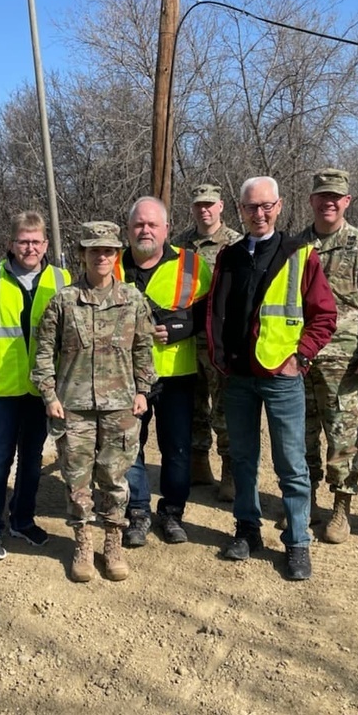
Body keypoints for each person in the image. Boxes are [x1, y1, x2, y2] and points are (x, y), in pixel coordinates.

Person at [207, 176, 337, 581]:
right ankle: (247, 530)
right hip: (239, 377)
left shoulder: (300, 255)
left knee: (291, 464)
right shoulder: (228, 256)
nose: (258, 214)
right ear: (240, 210)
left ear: (279, 207)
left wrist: (300, 357)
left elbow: (324, 315)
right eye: (250, 207)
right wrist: (220, 358)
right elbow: (216, 310)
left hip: (282, 377)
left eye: (266, 206)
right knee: (242, 458)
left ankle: (298, 542)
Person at [31, 221, 156, 583]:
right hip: (74, 405)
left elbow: (144, 349)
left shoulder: (133, 300)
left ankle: (112, 543)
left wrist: (142, 390)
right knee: (77, 479)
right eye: (94, 250)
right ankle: (83, 544)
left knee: (115, 477)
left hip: (120, 406)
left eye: (108, 250)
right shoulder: (64, 301)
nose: (101, 256)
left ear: (117, 255)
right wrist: (49, 394)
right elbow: (42, 353)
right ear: (82, 254)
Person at [0, 211, 71, 563]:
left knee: (32, 459)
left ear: (46, 244)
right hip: (0, 390)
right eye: (23, 241)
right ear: (11, 243)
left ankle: (22, 519)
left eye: (36, 241)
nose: (30, 247)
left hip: (40, 390)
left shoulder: (61, 279)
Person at [293, 168, 358, 544]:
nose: (329, 202)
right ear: (312, 201)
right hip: (300, 357)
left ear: (347, 201)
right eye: (322, 196)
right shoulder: (297, 245)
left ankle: (340, 507)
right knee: (300, 435)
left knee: (342, 434)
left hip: (345, 359)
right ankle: (306, 503)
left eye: (336, 197)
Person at [116, 197, 212, 547]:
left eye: (152, 225)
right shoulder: (110, 264)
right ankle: (138, 512)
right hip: (125, 375)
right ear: (128, 230)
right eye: (139, 225)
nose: (145, 230)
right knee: (130, 446)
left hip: (176, 373)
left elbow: (210, 312)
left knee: (177, 449)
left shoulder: (192, 264)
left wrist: (179, 328)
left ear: (166, 229)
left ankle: (172, 513)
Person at [174, 183, 243, 500]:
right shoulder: (180, 245)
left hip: (221, 340)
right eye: (199, 204)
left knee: (225, 407)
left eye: (209, 204)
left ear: (221, 207)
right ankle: (199, 462)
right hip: (187, 338)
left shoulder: (236, 244)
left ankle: (230, 468)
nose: (204, 209)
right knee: (194, 403)